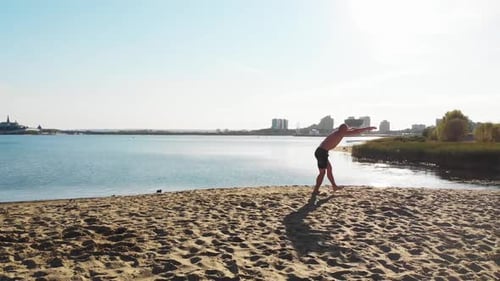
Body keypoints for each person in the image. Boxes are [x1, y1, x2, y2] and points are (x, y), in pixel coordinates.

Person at [313, 123, 376, 194]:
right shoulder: (339, 134)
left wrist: (351, 128)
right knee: (322, 173)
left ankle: (334, 186)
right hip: (321, 153)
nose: (346, 131)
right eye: (345, 129)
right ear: (342, 130)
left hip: (322, 152)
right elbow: (355, 131)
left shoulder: (339, 132)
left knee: (329, 170)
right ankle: (316, 190)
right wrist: (367, 128)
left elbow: (352, 130)